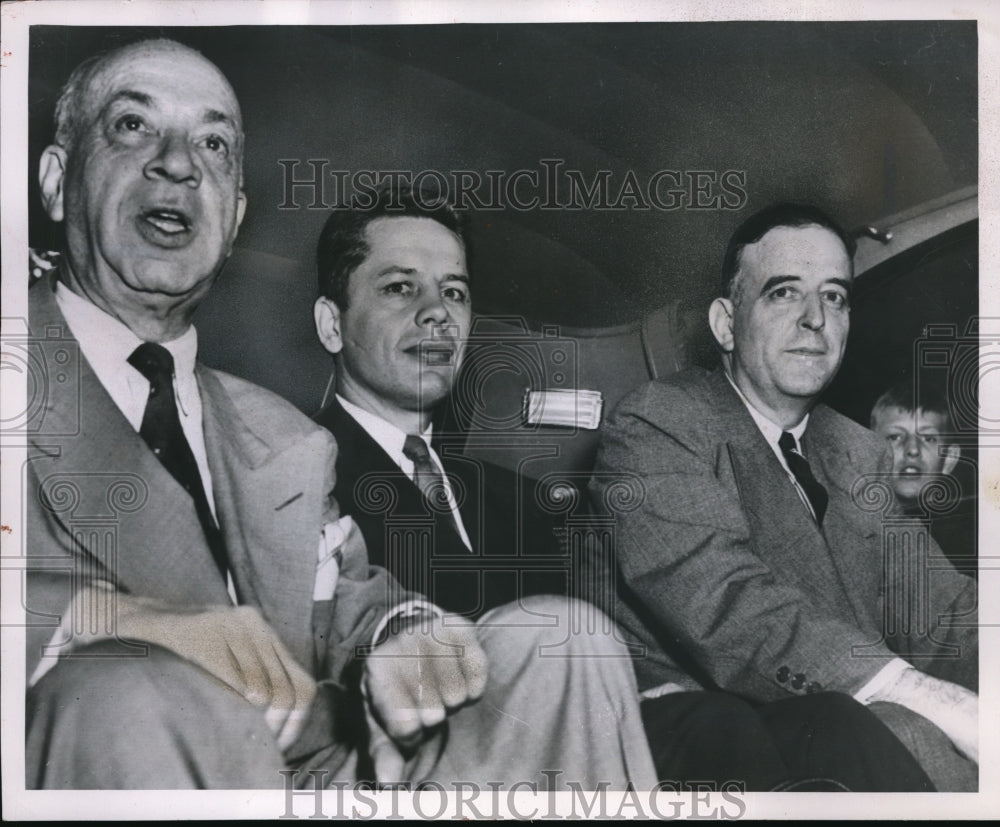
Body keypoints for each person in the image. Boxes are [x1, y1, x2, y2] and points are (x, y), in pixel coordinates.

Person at [23, 38, 656, 791]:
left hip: (331, 774)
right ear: (58, 182)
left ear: (234, 222)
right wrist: (108, 620)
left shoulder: (283, 435)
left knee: (568, 641)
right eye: (133, 126)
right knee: (126, 692)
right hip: (140, 751)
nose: (179, 162)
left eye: (214, 142)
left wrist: (399, 629)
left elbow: (340, 597)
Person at [311, 185, 935, 792]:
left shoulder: (518, 497)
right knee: (714, 724)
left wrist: (638, 682)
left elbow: (590, 634)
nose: (436, 312)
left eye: (455, 291)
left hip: (580, 733)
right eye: (400, 287)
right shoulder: (294, 483)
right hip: (437, 769)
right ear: (332, 325)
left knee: (831, 721)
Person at [591, 202, 979, 791]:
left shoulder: (857, 451)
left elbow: (943, 612)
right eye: (783, 293)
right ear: (726, 323)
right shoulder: (659, 424)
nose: (815, 319)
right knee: (916, 733)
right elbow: (728, 608)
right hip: (727, 746)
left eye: (835, 297)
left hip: (854, 722)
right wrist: (931, 697)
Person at [870, 379, 975, 571]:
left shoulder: (969, 545)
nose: (912, 449)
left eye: (928, 438)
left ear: (949, 459)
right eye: (895, 437)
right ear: (867, 450)